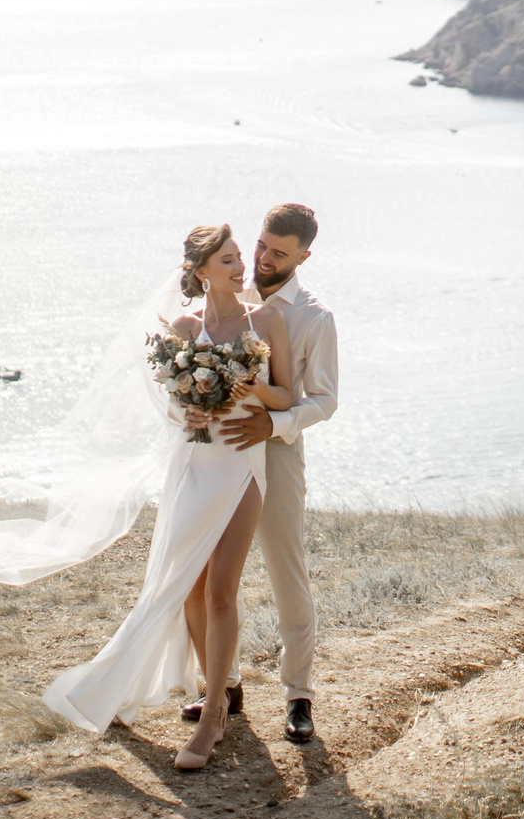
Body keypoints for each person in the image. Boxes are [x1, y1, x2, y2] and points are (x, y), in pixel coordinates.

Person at [18, 223, 291, 770]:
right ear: (201, 272)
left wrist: (250, 390)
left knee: (220, 589)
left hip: (241, 463)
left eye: (241, 258)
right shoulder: (186, 326)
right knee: (184, 587)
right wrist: (187, 410)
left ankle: (214, 714)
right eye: (229, 261)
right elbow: (174, 400)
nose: (242, 268)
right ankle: (209, 684)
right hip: (194, 463)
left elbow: (288, 394)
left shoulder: (267, 319)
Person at [189, 203, 336, 745]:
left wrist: (271, 426)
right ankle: (224, 686)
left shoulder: (316, 317)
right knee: (216, 575)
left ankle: (299, 695)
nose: (263, 259)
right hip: (224, 454)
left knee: (285, 569)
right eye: (260, 246)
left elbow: (324, 401)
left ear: (303, 256)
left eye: (278, 253)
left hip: (275, 453)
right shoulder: (235, 299)